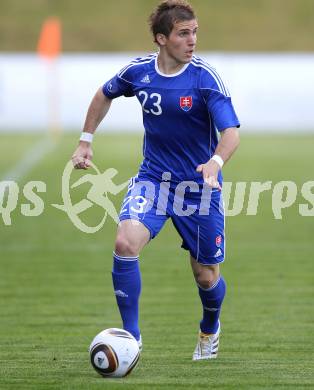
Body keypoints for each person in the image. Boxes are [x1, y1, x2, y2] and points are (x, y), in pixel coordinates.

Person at [72, 0, 240, 360]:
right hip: (154, 182)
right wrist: (86, 140)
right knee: (125, 243)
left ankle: (210, 327)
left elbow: (231, 133)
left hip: (199, 190)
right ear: (161, 38)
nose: (192, 40)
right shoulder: (138, 73)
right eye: (183, 33)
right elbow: (105, 93)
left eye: (195, 32)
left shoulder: (204, 78)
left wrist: (214, 161)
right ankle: (131, 338)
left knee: (206, 277)